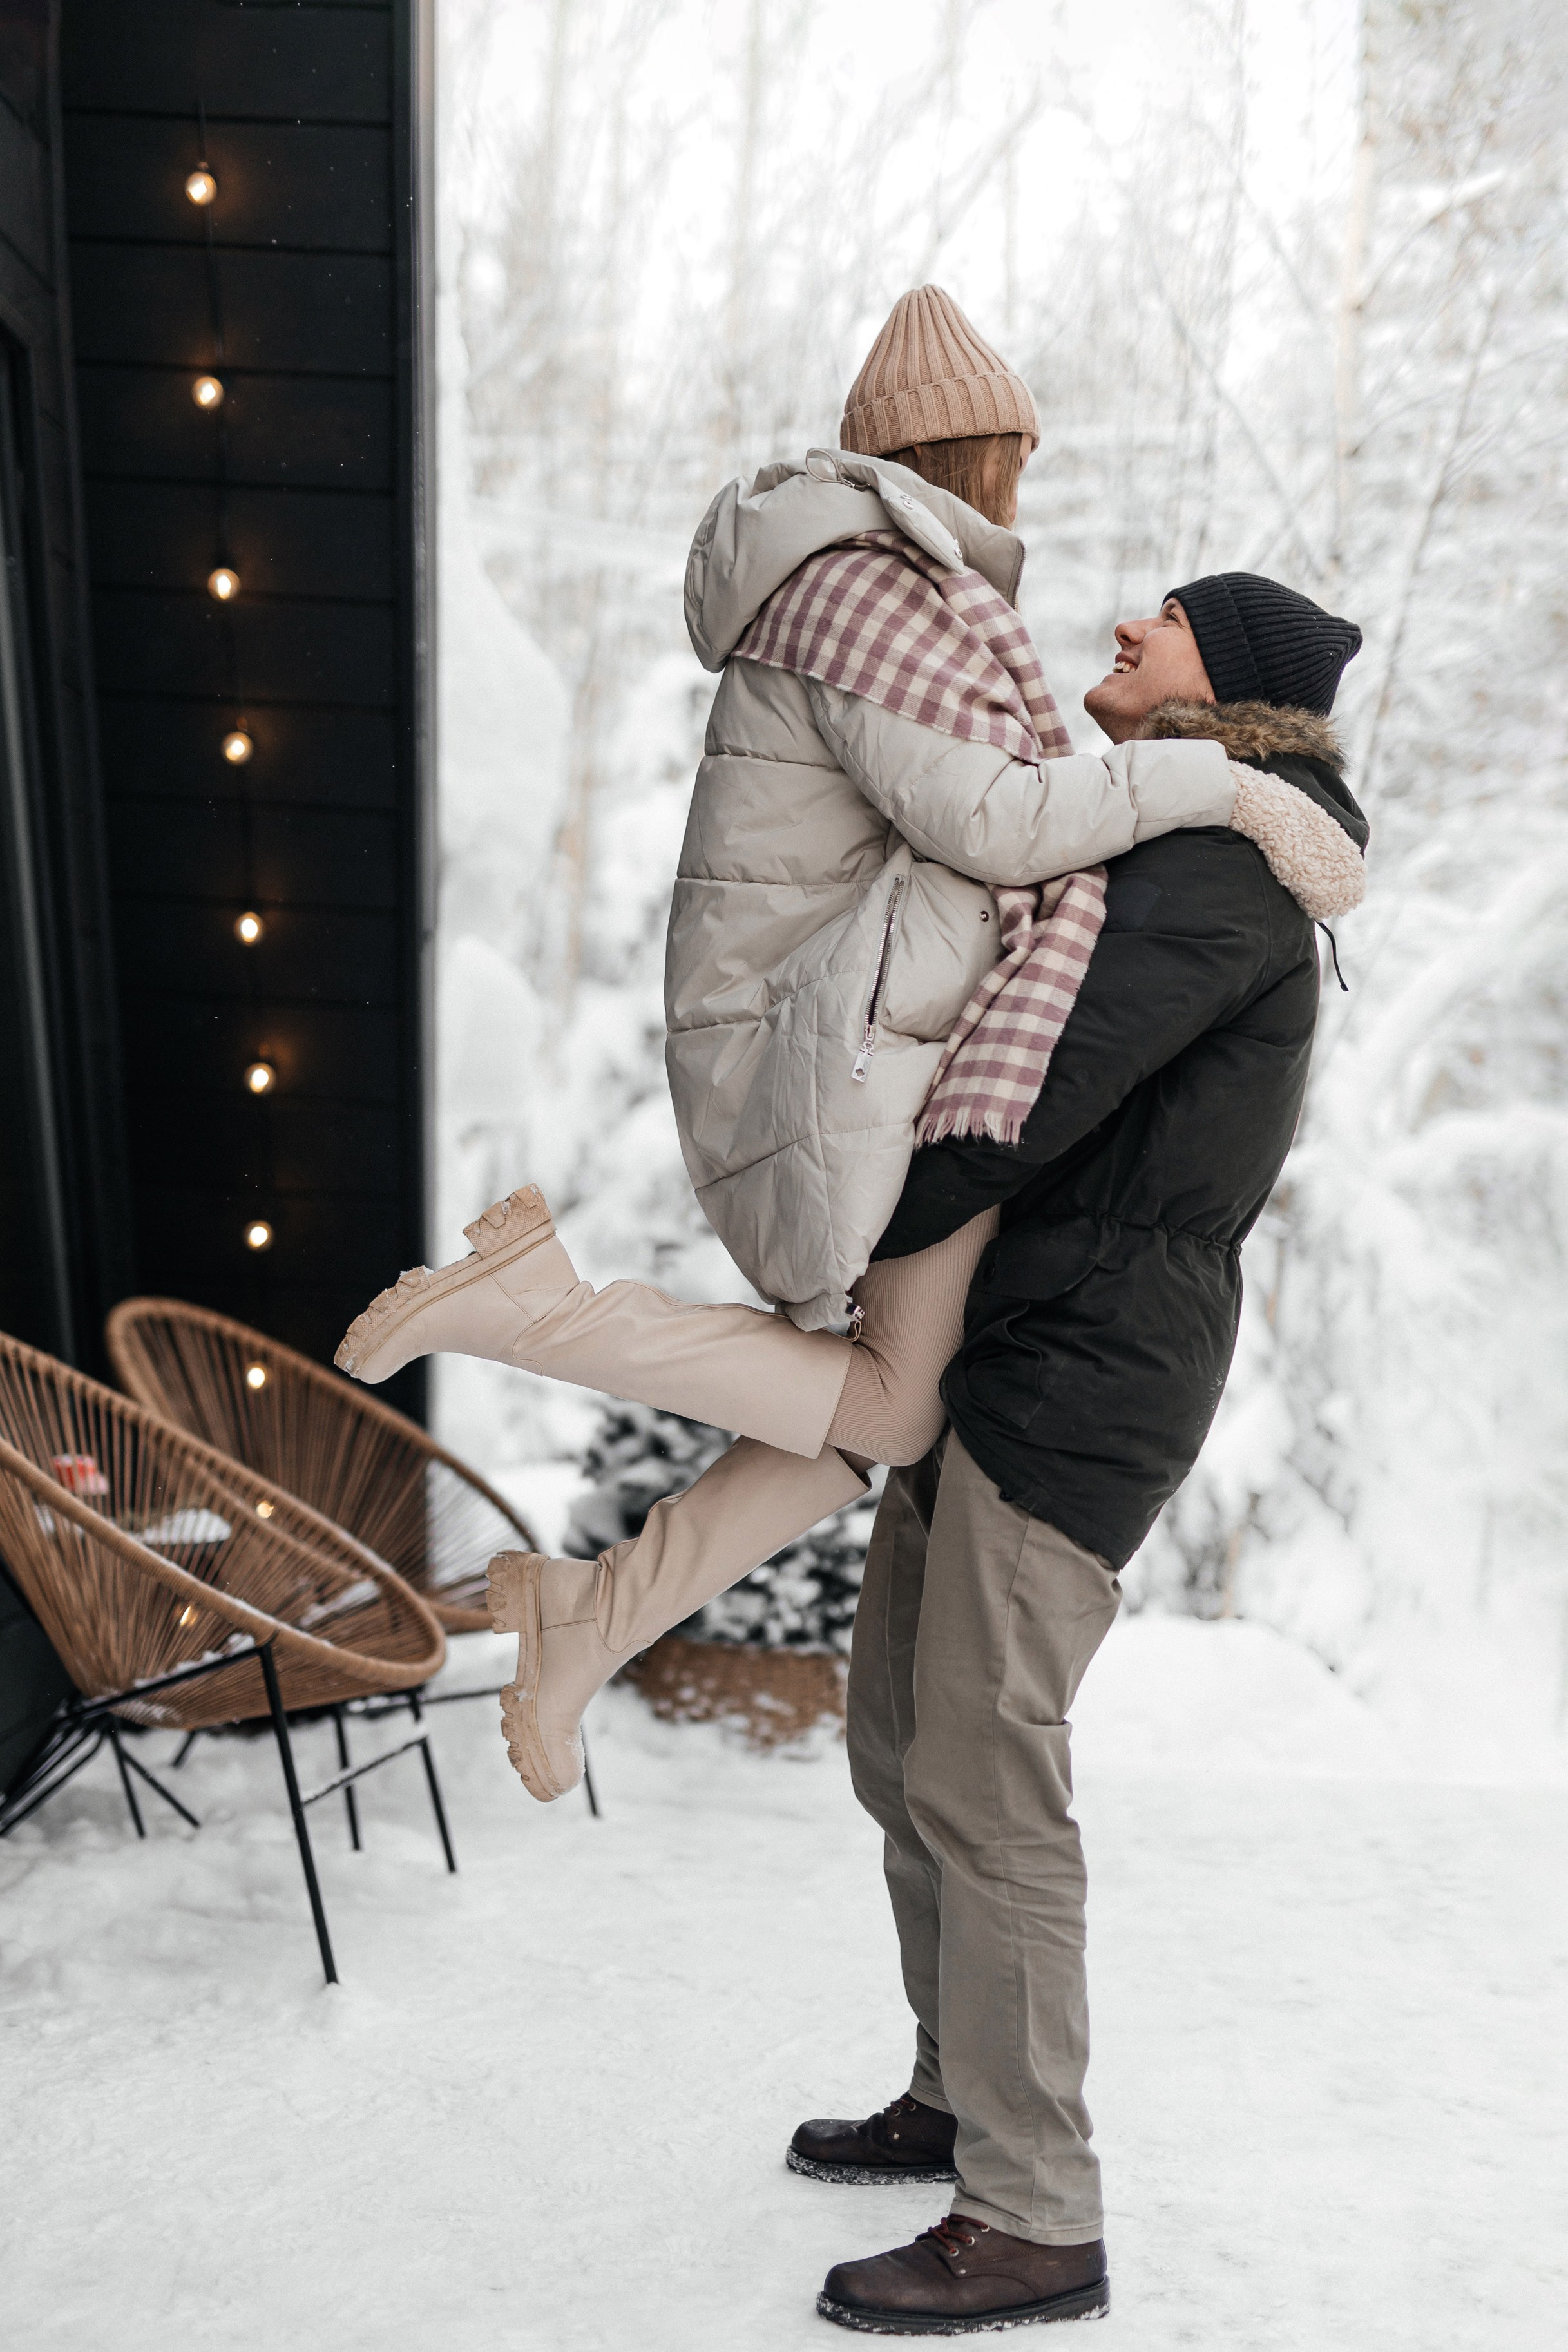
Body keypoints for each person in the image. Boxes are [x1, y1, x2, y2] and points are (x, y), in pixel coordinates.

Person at [336, 291, 1362, 1808]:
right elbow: (997, 822)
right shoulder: (864, 593)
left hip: (852, 1036)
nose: (1030, 496)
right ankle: (537, 1307)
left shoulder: (888, 590)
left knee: (846, 1421)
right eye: (1014, 450)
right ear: (972, 451)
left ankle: (588, 1616)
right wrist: (1221, 787)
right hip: (828, 1055)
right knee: (887, 1405)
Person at [799, 571, 1368, 2335]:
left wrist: (848, 1232)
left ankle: (1037, 2209)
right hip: (1010, 1338)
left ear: (1241, 683)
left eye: (1174, 618)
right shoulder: (1164, 836)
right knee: (899, 1737)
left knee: (981, 1765)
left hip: (1088, 1360)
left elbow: (1036, 1095)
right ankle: (958, 2088)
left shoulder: (1219, 869)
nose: (1129, 621)